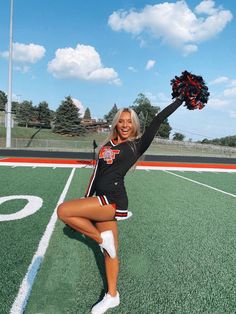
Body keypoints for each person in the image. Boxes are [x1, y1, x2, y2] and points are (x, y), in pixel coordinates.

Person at [57, 96, 184, 314]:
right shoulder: (106, 146)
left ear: (134, 124)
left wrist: (180, 99)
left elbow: (158, 119)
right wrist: (86, 199)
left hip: (114, 200)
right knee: (111, 252)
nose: (125, 125)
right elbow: (96, 176)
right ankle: (112, 296)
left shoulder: (137, 145)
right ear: (116, 123)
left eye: (130, 121)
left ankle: (100, 239)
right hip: (98, 199)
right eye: (121, 121)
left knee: (63, 211)